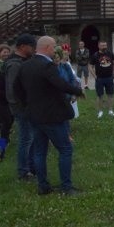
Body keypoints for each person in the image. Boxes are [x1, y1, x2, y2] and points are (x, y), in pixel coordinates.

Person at [14, 36, 85, 195]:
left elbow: (16, 89)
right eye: (53, 47)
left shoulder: (25, 66)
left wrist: (27, 105)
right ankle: (66, 187)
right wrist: (78, 91)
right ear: (46, 47)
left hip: (34, 115)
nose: (55, 51)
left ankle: (43, 185)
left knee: (40, 151)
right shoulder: (47, 66)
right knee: (65, 149)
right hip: (52, 116)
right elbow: (60, 84)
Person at [3, 33, 37, 180]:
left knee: (31, 137)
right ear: (23, 47)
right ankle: (23, 171)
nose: (34, 49)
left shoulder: (23, 61)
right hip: (22, 108)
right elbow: (12, 91)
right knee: (26, 139)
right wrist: (23, 107)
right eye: (32, 46)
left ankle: (31, 167)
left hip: (27, 106)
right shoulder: (15, 64)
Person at [89, 41, 114, 118]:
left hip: (109, 78)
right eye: (102, 45)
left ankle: (110, 111)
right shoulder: (95, 55)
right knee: (100, 95)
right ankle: (100, 111)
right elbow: (90, 66)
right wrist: (95, 76)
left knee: (110, 95)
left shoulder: (110, 53)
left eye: (105, 45)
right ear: (99, 46)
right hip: (99, 79)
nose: (104, 47)